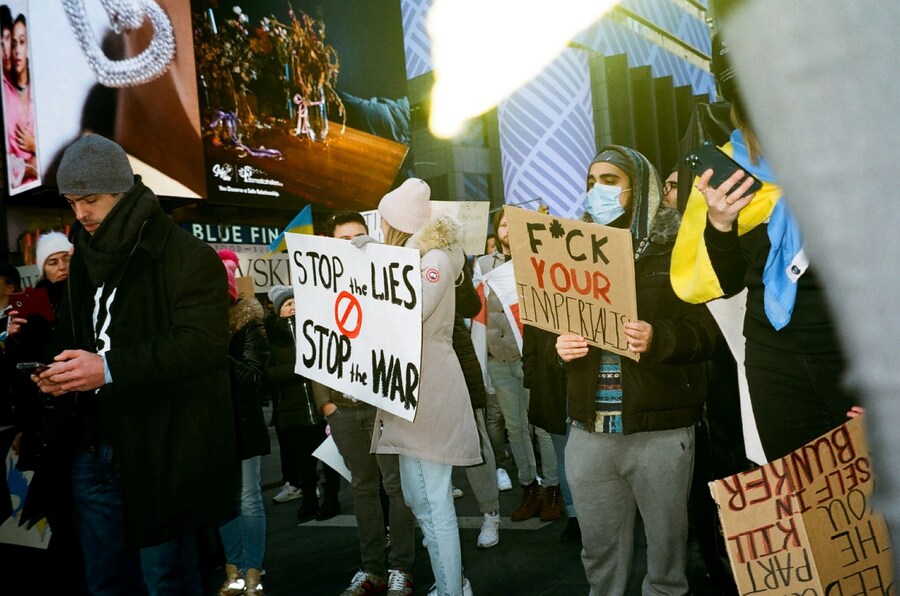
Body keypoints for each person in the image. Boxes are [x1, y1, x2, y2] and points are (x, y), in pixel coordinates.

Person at [33, 134, 236, 595]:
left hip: (160, 450)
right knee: (105, 582)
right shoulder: (83, 256)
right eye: (71, 202)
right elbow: (73, 337)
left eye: (90, 200)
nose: (80, 213)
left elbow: (202, 345)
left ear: (122, 193)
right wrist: (56, 373)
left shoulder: (187, 257)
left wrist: (106, 368)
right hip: (91, 448)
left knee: (166, 580)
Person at [670, 35, 858, 462]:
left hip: (853, 356)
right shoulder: (727, 166)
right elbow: (730, 280)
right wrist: (719, 225)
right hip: (775, 363)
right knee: (802, 498)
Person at [556, 145, 720, 595]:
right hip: (590, 432)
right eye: (591, 182)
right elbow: (548, 326)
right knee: (598, 553)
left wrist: (658, 338)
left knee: (667, 553)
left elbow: (708, 333)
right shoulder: (570, 252)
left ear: (639, 186)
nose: (597, 190)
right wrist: (561, 347)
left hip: (660, 432)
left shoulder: (677, 247)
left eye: (609, 180)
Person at [360, 179, 480, 596]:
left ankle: (451, 589)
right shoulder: (421, 256)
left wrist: (374, 264)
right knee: (420, 500)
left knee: (433, 504)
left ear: (395, 223)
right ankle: (452, 582)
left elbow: (410, 309)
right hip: (415, 391)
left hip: (428, 392)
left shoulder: (433, 260)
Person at [311, 210, 417, 596]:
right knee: (363, 488)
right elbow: (313, 349)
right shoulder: (318, 289)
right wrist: (327, 405)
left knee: (396, 486)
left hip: (382, 406)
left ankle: (401, 568)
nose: (352, 245)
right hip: (343, 410)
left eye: (360, 237)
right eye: (344, 240)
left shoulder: (383, 284)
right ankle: (371, 568)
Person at [474, 208, 560, 522]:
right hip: (499, 359)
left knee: (543, 427)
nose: (508, 228)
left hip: (530, 359)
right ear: (496, 231)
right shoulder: (483, 265)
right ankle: (529, 488)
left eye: (514, 223)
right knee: (515, 428)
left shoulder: (534, 261)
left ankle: (553, 488)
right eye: (503, 224)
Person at [265, 283, 342, 524]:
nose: (293, 307)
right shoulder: (272, 337)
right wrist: (301, 369)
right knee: (304, 463)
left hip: (321, 408)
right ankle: (309, 499)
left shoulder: (315, 327)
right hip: (294, 411)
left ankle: (331, 499)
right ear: (278, 310)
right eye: (287, 304)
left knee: (331, 460)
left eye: (296, 302)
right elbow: (269, 375)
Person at [216, 250, 269, 596]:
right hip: (211, 428)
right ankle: (233, 570)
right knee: (223, 500)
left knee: (248, 498)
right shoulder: (193, 324)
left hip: (244, 423)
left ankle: (253, 571)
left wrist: (215, 352)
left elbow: (253, 376)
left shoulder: (250, 325)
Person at [453, 256, 502, 549]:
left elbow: (470, 306)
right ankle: (437, 523)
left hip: (458, 362)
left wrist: (458, 269)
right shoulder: (395, 260)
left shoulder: (447, 262)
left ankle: (491, 513)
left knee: (475, 444)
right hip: (419, 369)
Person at [3, 13, 37, 188]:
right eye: (13, 43)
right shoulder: (6, 92)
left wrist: (35, 146)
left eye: (22, 42)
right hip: (19, 192)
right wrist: (29, 167)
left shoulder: (38, 90)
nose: (16, 50)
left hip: (49, 193)